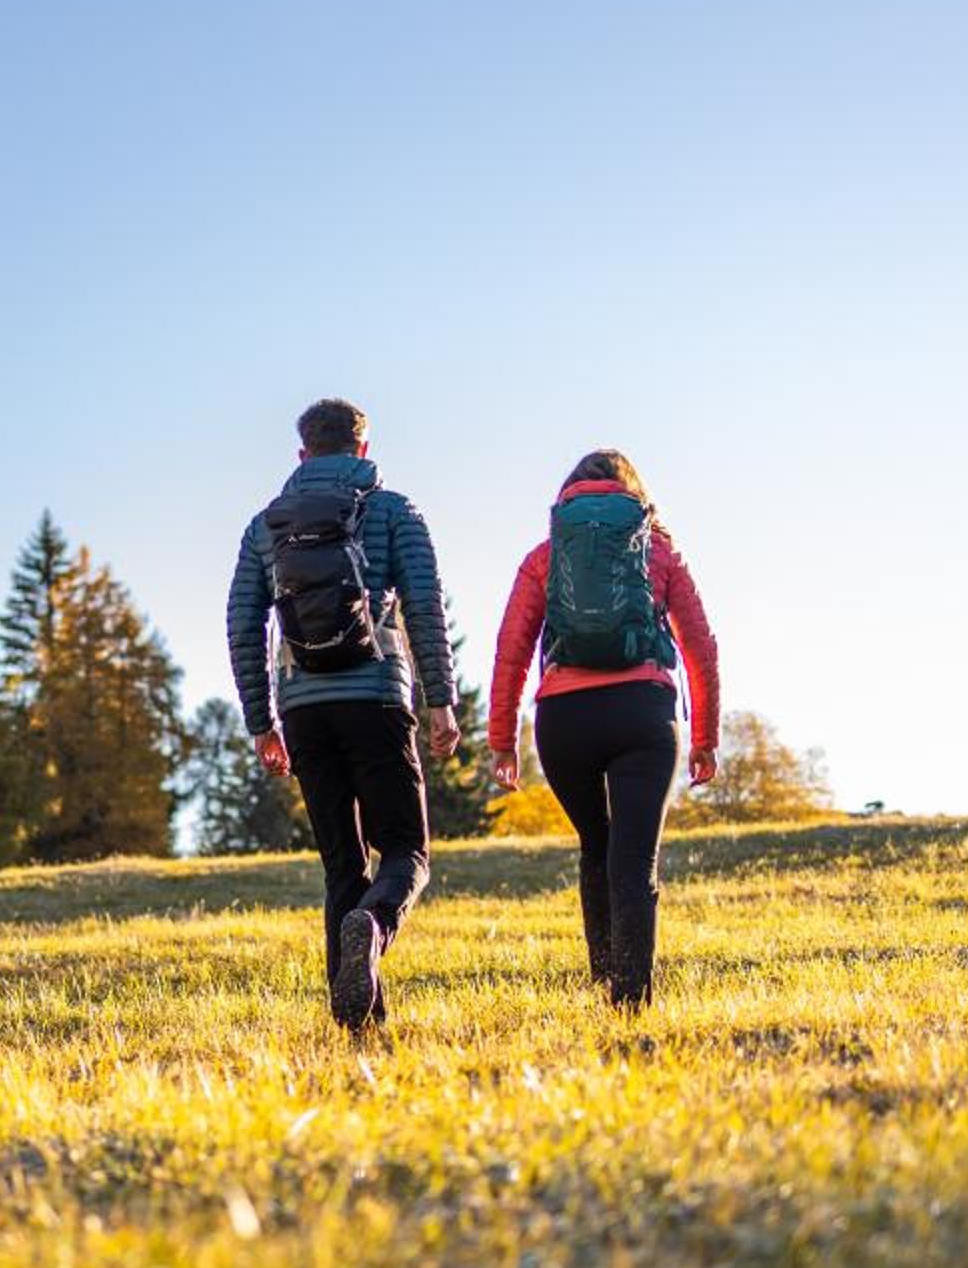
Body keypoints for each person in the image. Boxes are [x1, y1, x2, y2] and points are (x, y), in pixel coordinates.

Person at [226, 398, 462, 1030]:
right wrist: (441, 700)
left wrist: (261, 722)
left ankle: (358, 1026)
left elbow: (243, 623)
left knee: (342, 867)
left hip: (304, 709)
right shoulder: (393, 511)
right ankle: (374, 925)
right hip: (377, 697)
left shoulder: (266, 526)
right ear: (363, 449)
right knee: (406, 853)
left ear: (302, 454)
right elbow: (425, 605)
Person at [487, 449, 720, 1007]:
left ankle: (602, 975)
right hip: (643, 712)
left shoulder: (546, 556)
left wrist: (502, 741)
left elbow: (511, 651)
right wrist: (705, 737)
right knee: (634, 859)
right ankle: (631, 999)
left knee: (597, 844)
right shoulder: (658, 551)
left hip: (565, 720)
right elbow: (700, 648)